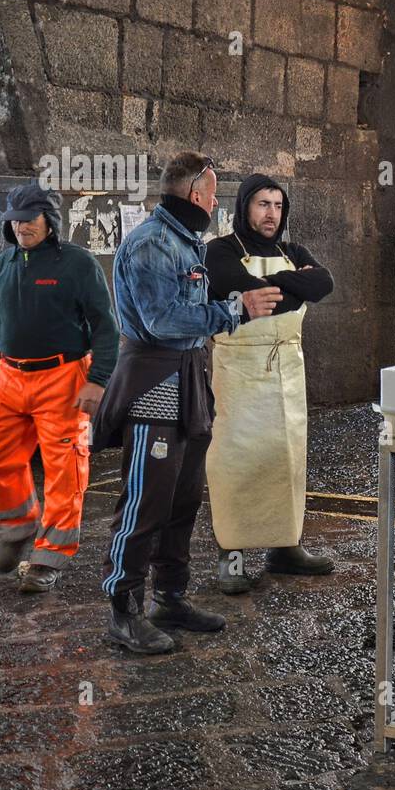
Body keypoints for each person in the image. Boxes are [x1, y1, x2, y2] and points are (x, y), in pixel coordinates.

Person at [91, 152, 282, 655]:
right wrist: (236, 309)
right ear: (195, 194)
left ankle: (169, 597)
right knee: (144, 501)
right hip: (154, 382)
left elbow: (189, 313)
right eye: (213, 193)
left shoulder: (184, 240)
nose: (217, 201)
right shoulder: (152, 244)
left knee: (182, 498)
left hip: (188, 379)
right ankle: (123, 610)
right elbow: (163, 322)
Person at [0, 183, 119, 593]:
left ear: (49, 221)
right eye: (15, 221)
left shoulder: (78, 264)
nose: (21, 227)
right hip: (8, 376)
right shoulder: (4, 264)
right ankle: (18, 528)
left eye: (29, 219)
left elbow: (106, 326)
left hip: (63, 379)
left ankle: (48, 558)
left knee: (64, 471)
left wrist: (98, 379)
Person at [203, 174, 336, 594]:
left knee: (287, 459)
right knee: (235, 463)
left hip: (286, 372)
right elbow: (242, 286)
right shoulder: (219, 251)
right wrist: (291, 285)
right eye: (262, 204)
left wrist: (277, 289)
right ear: (245, 207)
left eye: (278, 206)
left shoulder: (292, 250)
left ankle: (285, 546)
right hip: (240, 372)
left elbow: (324, 283)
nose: (271, 214)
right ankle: (232, 556)